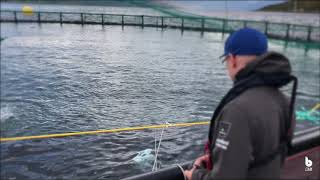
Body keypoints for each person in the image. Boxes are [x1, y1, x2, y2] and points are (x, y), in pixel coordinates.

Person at [183, 28, 297, 179]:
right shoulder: (285, 102)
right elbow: (264, 155)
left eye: (226, 61)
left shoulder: (237, 110)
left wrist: (195, 175)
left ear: (233, 59)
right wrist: (217, 159)